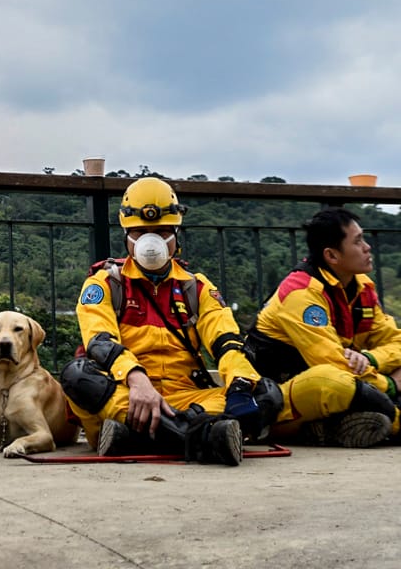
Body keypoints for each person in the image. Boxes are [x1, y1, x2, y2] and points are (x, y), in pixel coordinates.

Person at [59, 177, 280, 465]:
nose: (151, 243)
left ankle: (136, 438)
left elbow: (227, 341)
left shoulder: (196, 287)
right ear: (126, 235)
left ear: (176, 234)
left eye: (162, 232)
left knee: (266, 393)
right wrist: (137, 380)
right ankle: (203, 436)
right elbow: (100, 341)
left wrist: (239, 384)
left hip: (186, 397)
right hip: (128, 394)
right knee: (76, 375)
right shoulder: (106, 284)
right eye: (140, 233)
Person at [245, 207, 401, 447]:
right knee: (334, 381)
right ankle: (391, 419)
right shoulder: (301, 292)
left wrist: (370, 358)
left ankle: (329, 427)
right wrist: (390, 385)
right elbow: (334, 364)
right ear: (332, 256)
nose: (367, 247)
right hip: (283, 391)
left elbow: (395, 341)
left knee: (347, 385)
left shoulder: (362, 286)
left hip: (353, 380)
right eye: (358, 241)